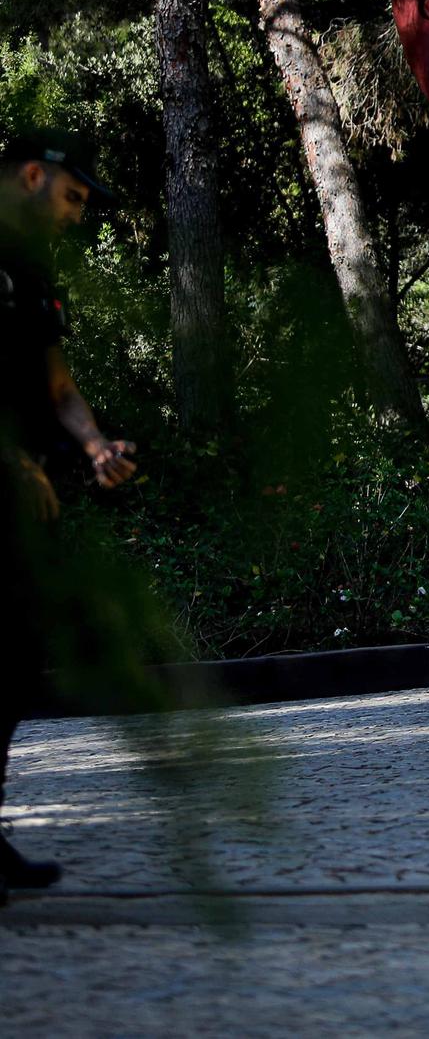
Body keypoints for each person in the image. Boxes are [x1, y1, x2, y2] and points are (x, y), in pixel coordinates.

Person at [1, 125, 137, 899]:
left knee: (15, 668)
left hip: (25, 505)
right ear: (31, 177)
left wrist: (91, 445)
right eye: (73, 196)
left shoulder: (32, 272)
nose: (77, 215)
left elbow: (57, 388)